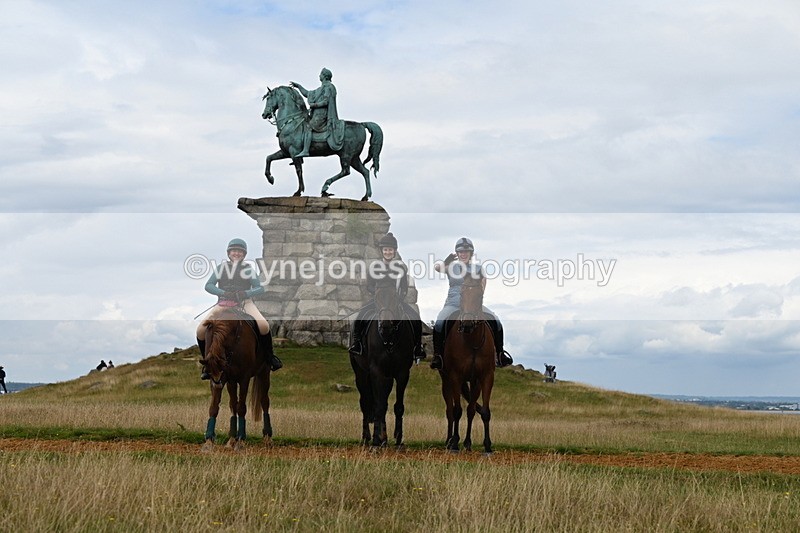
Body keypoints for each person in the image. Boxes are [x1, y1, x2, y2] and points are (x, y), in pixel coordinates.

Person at [196, 238, 282, 380]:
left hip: (245, 303)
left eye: (240, 251)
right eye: (234, 251)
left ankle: (270, 358)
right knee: (200, 330)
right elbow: (209, 285)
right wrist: (223, 293)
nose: (236, 253)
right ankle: (208, 363)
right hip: (223, 303)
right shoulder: (221, 268)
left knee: (264, 325)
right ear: (229, 253)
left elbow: (260, 288)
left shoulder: (248, 269)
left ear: (244, 254)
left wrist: (244, 293)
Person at [430, 237, 513, 370]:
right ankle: (438, 356)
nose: (463, 254)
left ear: (471, 253)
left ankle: (500, 354)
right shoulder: (451, 267)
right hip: (453, 304)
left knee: (495, 321)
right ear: (457, 254)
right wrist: (447, 260)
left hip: (473, 305)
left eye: (466, 252)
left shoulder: (478, 268)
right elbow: (437, 268)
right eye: (461, 252)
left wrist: (475, 303)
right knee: (439, 322)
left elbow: (482, 286)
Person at [349, 233, 426, 361]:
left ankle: (417, 348)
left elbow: (404, 287)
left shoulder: (400, 268)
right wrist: (377, 294)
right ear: (382, 251)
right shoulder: (375, 267)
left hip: (394, 301)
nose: (388, 252)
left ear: (394, 251)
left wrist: (399, 298)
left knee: (415, 318)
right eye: (385, 249)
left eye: (390, 250)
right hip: (379, 300)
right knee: (360, 317)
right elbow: (369, 286)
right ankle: (357, 344)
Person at [289, 67, 345, 157]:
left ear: (324, 76)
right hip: (316, 114)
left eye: (321, 74)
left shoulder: (329, 87)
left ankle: (306, 150)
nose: (319, 75)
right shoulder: (320, 89)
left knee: (308, 127)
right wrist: (298, 86)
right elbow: (307, 93)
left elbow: (326, 101)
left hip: (322, 115)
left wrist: (315, 105)